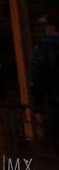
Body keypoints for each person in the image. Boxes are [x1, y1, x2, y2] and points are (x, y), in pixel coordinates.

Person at [32, 10, 59, 153]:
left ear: (52, 27)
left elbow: (39, 80)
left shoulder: (44, 49)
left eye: (46, 25)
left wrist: (38, 107)